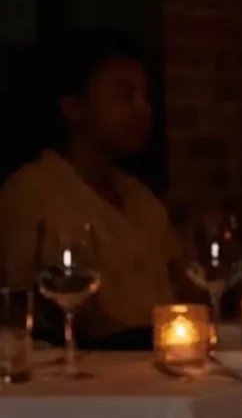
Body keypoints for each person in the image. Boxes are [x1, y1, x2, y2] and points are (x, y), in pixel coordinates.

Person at [0, 31, 180, 339]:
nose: (142, 109)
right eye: (124, 95)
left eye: (146, 97)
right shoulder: (33, 190)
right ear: (73, 106)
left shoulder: (139, 196)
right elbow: (54, 310)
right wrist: (135, 342)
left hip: (157, 365)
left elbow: (183, 281)